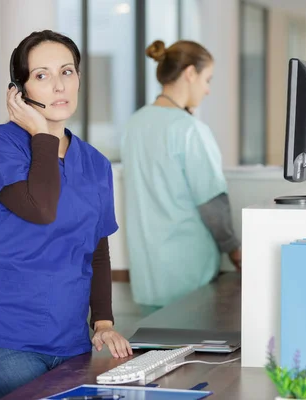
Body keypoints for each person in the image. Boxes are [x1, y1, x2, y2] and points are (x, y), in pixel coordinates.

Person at [0, 30, 132, 400]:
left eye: (67, 72)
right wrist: (42, 133)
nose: (59, 86)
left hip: (70, 341)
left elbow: (98, 250)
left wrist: (103, 323)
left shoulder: (94, 162)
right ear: (19, 91)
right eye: (41, 75)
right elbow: (40, 208)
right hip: (0, 340)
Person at [121, 40, 241, 314]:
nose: (207, 89)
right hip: (189, 275)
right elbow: (212, 203)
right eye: (207, 79)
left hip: (147, 277)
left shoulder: (134, 124)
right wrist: (234, 249)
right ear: (190, 73)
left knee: (155, 355)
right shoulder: (189, 130)